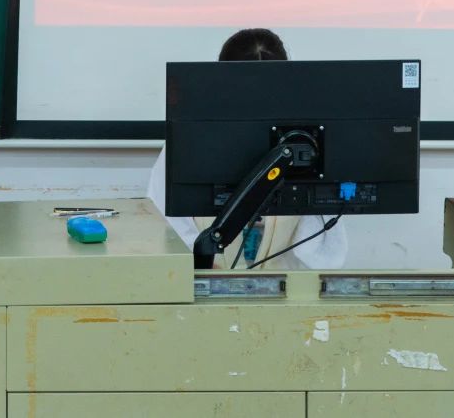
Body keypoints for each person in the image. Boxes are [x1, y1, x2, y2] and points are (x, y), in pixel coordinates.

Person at [146, 28, 348, 269]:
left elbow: (321, 254)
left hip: (285, 285)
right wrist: (202, 266)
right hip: (204, 282)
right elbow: (162, 220)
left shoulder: (305, 142)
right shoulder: (188, 142)